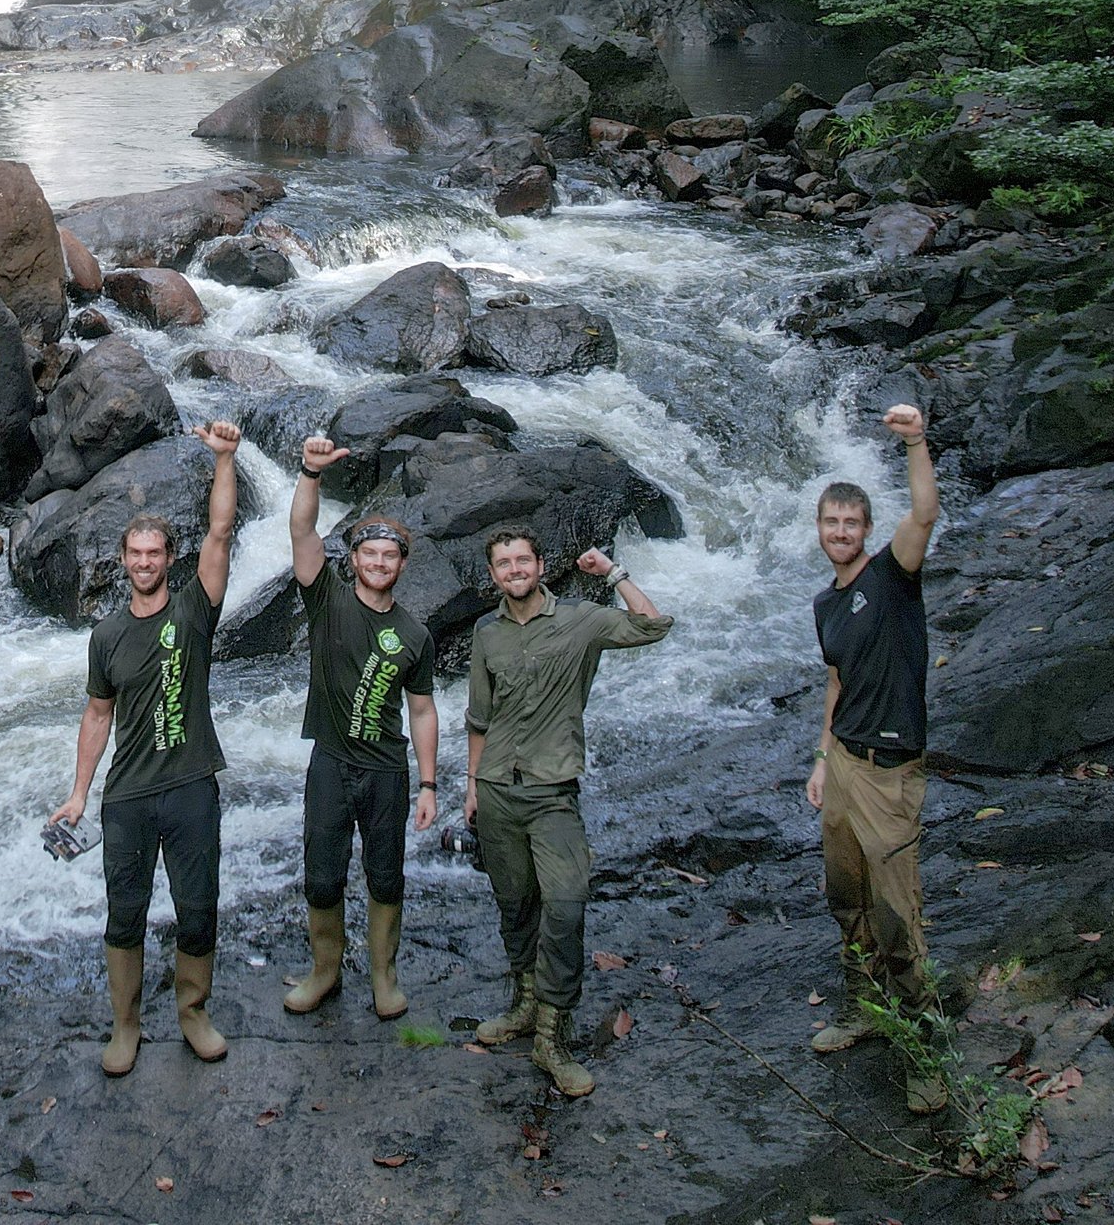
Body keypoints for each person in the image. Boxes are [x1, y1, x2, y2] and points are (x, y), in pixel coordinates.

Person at [49, 418, 243, 1076]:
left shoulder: (193, 612)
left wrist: (224, 459)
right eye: (135, 555)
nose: (144, 563)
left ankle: (194, 1012)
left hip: (190, 784)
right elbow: (97, 714)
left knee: (196, 907)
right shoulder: (105, 636)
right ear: (123, 561)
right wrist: (78, 793)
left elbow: (220, 532)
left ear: (169, 558)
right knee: (124, 912)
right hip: (127, 795)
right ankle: (126, 1026)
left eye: (154, 553)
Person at [463, 527, 672, 1097]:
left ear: (541, 565)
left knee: (566, 900)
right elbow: (478, 718)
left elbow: (654, 626)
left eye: (522, 560)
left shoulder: (581, 618)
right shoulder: (487, 634)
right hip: (498, 788)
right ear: (493, 575)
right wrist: (471, 786)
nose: (513, 570)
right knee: (515, 903)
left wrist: (612, 573)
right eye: (503, 564)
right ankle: (524, 1005)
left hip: (554, 790)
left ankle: (553, 1033)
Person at [804, 401, 944, 1111]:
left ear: (864, 529)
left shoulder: (893, 575)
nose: (840, 533)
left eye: (850, 523)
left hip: (891, 773)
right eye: (831, 523)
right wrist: (822, 757)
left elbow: (922, 514)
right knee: (847, 900)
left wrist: (916, 442)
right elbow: (836, 680)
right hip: (845, 767)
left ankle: (926, 1055)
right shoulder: (827, 604)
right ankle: (863, 1009)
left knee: (898, 916)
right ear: (820, 530)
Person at [277, 436, 440, 1019]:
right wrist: (309, 474)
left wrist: (428, 784)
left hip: (387, 771)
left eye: (388, 557)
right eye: (369, 554)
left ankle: (383, 976)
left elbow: (421, 709)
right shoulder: (328, 601)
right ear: (354, 561)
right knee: (322, 877)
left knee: (385, 877)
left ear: (400, 565)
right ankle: (324, 972)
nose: (377, 563)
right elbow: (301, 533)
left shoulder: (416, 634)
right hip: (330, 763)